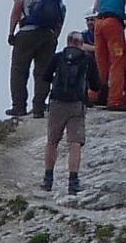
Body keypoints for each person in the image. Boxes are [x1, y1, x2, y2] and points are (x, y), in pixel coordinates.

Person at [39, 31, 100, 194]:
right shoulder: (87, 60)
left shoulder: (58, 57)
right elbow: (96, 85)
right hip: (77, 104)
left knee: (52, 141)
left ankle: (48, 179)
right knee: (75, 143)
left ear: (67, 42)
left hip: (57, 102)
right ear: (81, 44)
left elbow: (45, 77)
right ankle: (73, 181)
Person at [7, 0, 65, 118]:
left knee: (19, 70)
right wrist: (55, 36)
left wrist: (11, 32)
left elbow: (16, 11)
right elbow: (61, 14)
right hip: (48, 35)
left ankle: (19, 107)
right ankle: (39, 108)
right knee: (43, 72)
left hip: (27, 33)